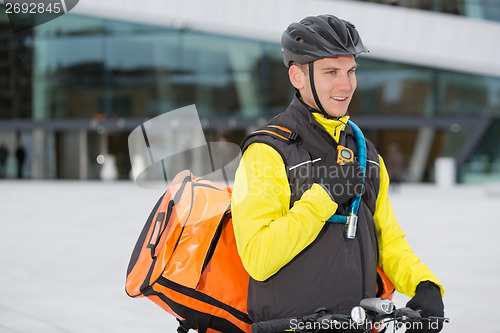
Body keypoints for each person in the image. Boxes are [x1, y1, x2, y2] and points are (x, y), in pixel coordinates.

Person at [231, 14, 444, 332]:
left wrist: (424, 284)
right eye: (331, 72)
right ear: (298, 77)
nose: (346, 85)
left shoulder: (366, 155)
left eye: (351, 71)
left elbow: (389, 240)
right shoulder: (267, 152)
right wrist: (325, 195)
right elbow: (258, 258)